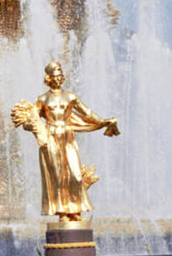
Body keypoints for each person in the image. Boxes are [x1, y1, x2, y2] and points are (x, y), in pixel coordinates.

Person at [14, 61, 119, 222]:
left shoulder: (70, 96)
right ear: (48, 78)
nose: (57, 79)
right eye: (54, 76)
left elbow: (87, 113)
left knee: (75, 174)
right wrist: (33, 126)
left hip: (67, 135)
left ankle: (75, 209)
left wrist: (103, 121)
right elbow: (30, 120)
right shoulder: (42, 99)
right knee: (57, 175)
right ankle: (63, 211)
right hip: (50, 137)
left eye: (59, 76)